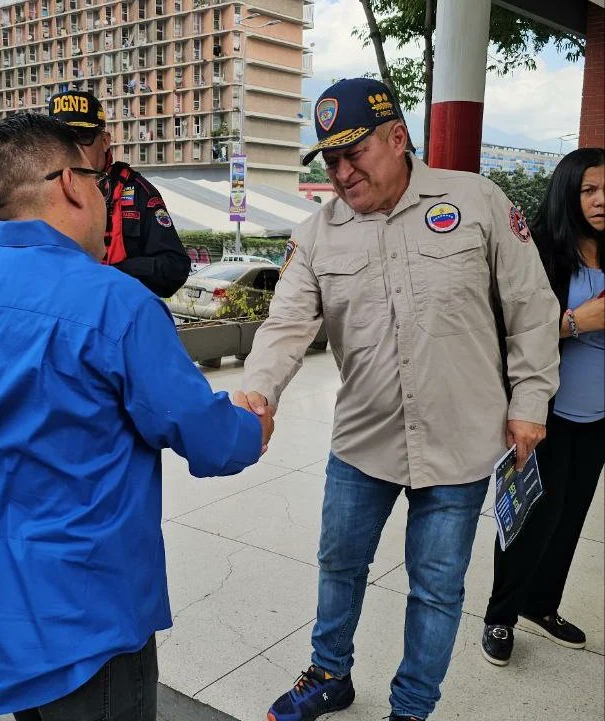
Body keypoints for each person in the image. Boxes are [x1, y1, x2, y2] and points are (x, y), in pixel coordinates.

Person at [0, 113, 272, 721]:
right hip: (88, 618)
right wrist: (251, 423)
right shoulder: (114, 303)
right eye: (100, 182)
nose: (105, 197)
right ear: (72, 185)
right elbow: (212, 443)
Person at [238, 78, 561, 721]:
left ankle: (412, 708)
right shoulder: (318, 234)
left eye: (353, 152)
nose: (341, 171)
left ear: (398, 136)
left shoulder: (476, 201)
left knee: (437, 590)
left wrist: (529, 402)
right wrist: (255, 394)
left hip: (463, 441)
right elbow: (285, 325)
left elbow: (532, 308)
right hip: (364, 441)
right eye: (329, 159)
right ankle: (330, 673)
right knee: (339, 563)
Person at [482, 148, 605, 666]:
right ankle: (500, 616)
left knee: (571, 517)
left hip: (598, 417)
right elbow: (505, 331)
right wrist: (579, 321)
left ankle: (542, 604)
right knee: (532, 516)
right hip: (545, 413)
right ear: (568, 195)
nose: (602, 201)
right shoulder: (542, 255)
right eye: (591, 190)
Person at [48, 90, 190, 297]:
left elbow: (174, 268)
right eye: (63, 141)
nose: (73, 149)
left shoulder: (138, 192)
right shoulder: (42, 191)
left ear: (105, 140)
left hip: (119, 313)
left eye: (83, 137)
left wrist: (108, 274)